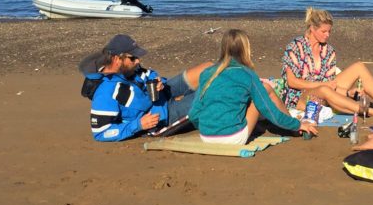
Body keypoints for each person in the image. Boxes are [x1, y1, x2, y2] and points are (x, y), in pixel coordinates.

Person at [189, 29, 318, 143]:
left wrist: (210, 127)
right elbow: (267, 109)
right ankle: (294, 128)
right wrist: (297, 125)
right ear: (245, 50)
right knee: (264, 92)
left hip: (206, 136)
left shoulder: (207, 74)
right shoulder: (247, 74)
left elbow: (194, 113)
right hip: (233, 137)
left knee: (239, 98)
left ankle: (269, 125)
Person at [81, 34, 211, 142]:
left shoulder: (127, 69)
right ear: (116, 59)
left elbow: (148, 74)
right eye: (132, 58)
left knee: (209, 68)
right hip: (162, 116)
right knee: (211, 93)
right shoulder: (105, 92)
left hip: (162, 93)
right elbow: (101, 132)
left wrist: (157, 81)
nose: (137, 61)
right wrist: (138, 125)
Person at [280, 7, 373, 119]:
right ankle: (372, 112)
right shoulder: (295, 46)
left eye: (329, 31)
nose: (327, 35)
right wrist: (322, 85)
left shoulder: (328, 50)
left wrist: (348, 93)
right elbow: (292, 82)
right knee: (324, 89)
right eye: (323, 31)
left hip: (325, 93)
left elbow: (332, 86)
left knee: (359, 67)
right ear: (312, 28)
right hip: (299, 98)